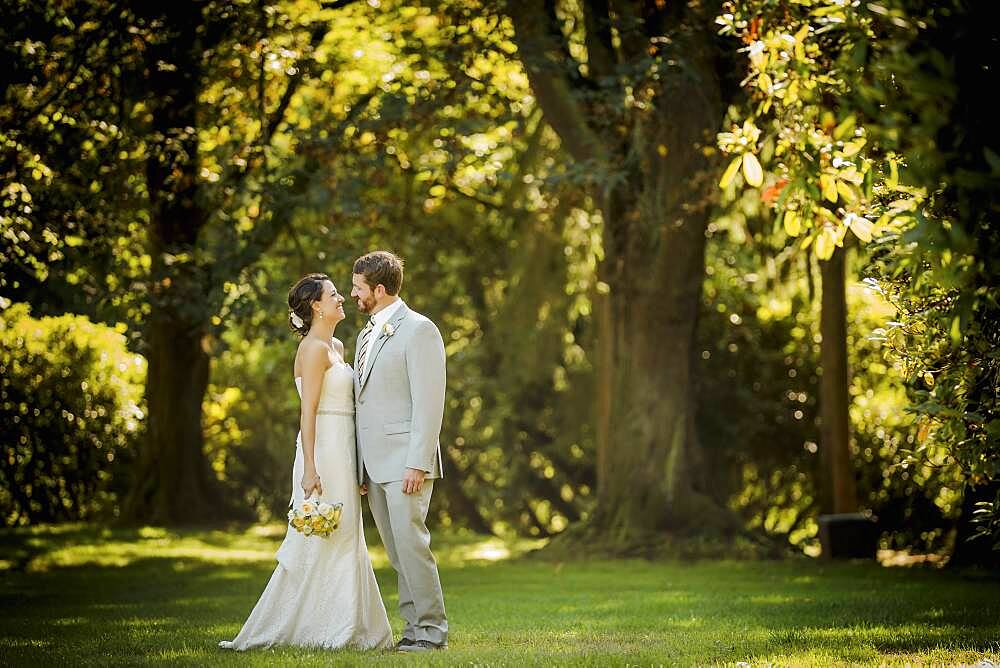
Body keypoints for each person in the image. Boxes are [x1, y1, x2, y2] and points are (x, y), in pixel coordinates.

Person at [219, 273, 392, 651]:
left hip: (345, 449)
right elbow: (308, 413)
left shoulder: (339, 346)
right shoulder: (313, 349)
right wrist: (310, 467)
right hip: (323, 449)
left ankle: (351, 626)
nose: (342, 298)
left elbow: (352, 410)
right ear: (316, 305)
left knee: (347, 533)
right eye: (334, 295)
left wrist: (360, 464)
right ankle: (323, 627)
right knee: (323, 534)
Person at [351, 251, 449, 652]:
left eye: (358, 288)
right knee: (397, 554)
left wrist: (417, 462)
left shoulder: (419, 330)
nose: (353, 295)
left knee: (413, 548)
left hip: (405, 463)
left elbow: (429, 403)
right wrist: (358, 467)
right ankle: (413, 631)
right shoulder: (364, 335)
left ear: (378, 288)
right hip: (373, 466)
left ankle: (431, 633)